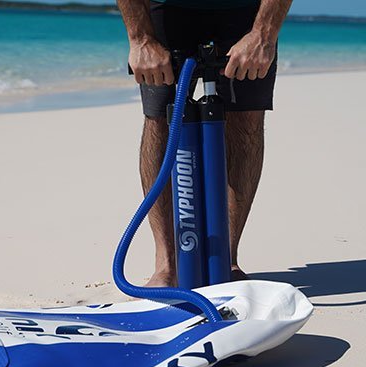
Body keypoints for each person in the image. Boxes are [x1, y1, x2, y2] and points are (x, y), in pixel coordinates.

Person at [117, 0, 293, 287]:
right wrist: (141, 38)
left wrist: (264, 34)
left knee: (245, 119)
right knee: (161, 118)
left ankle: (225, 260)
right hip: (167, 7)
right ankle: (168, 264)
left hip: (245, 10)